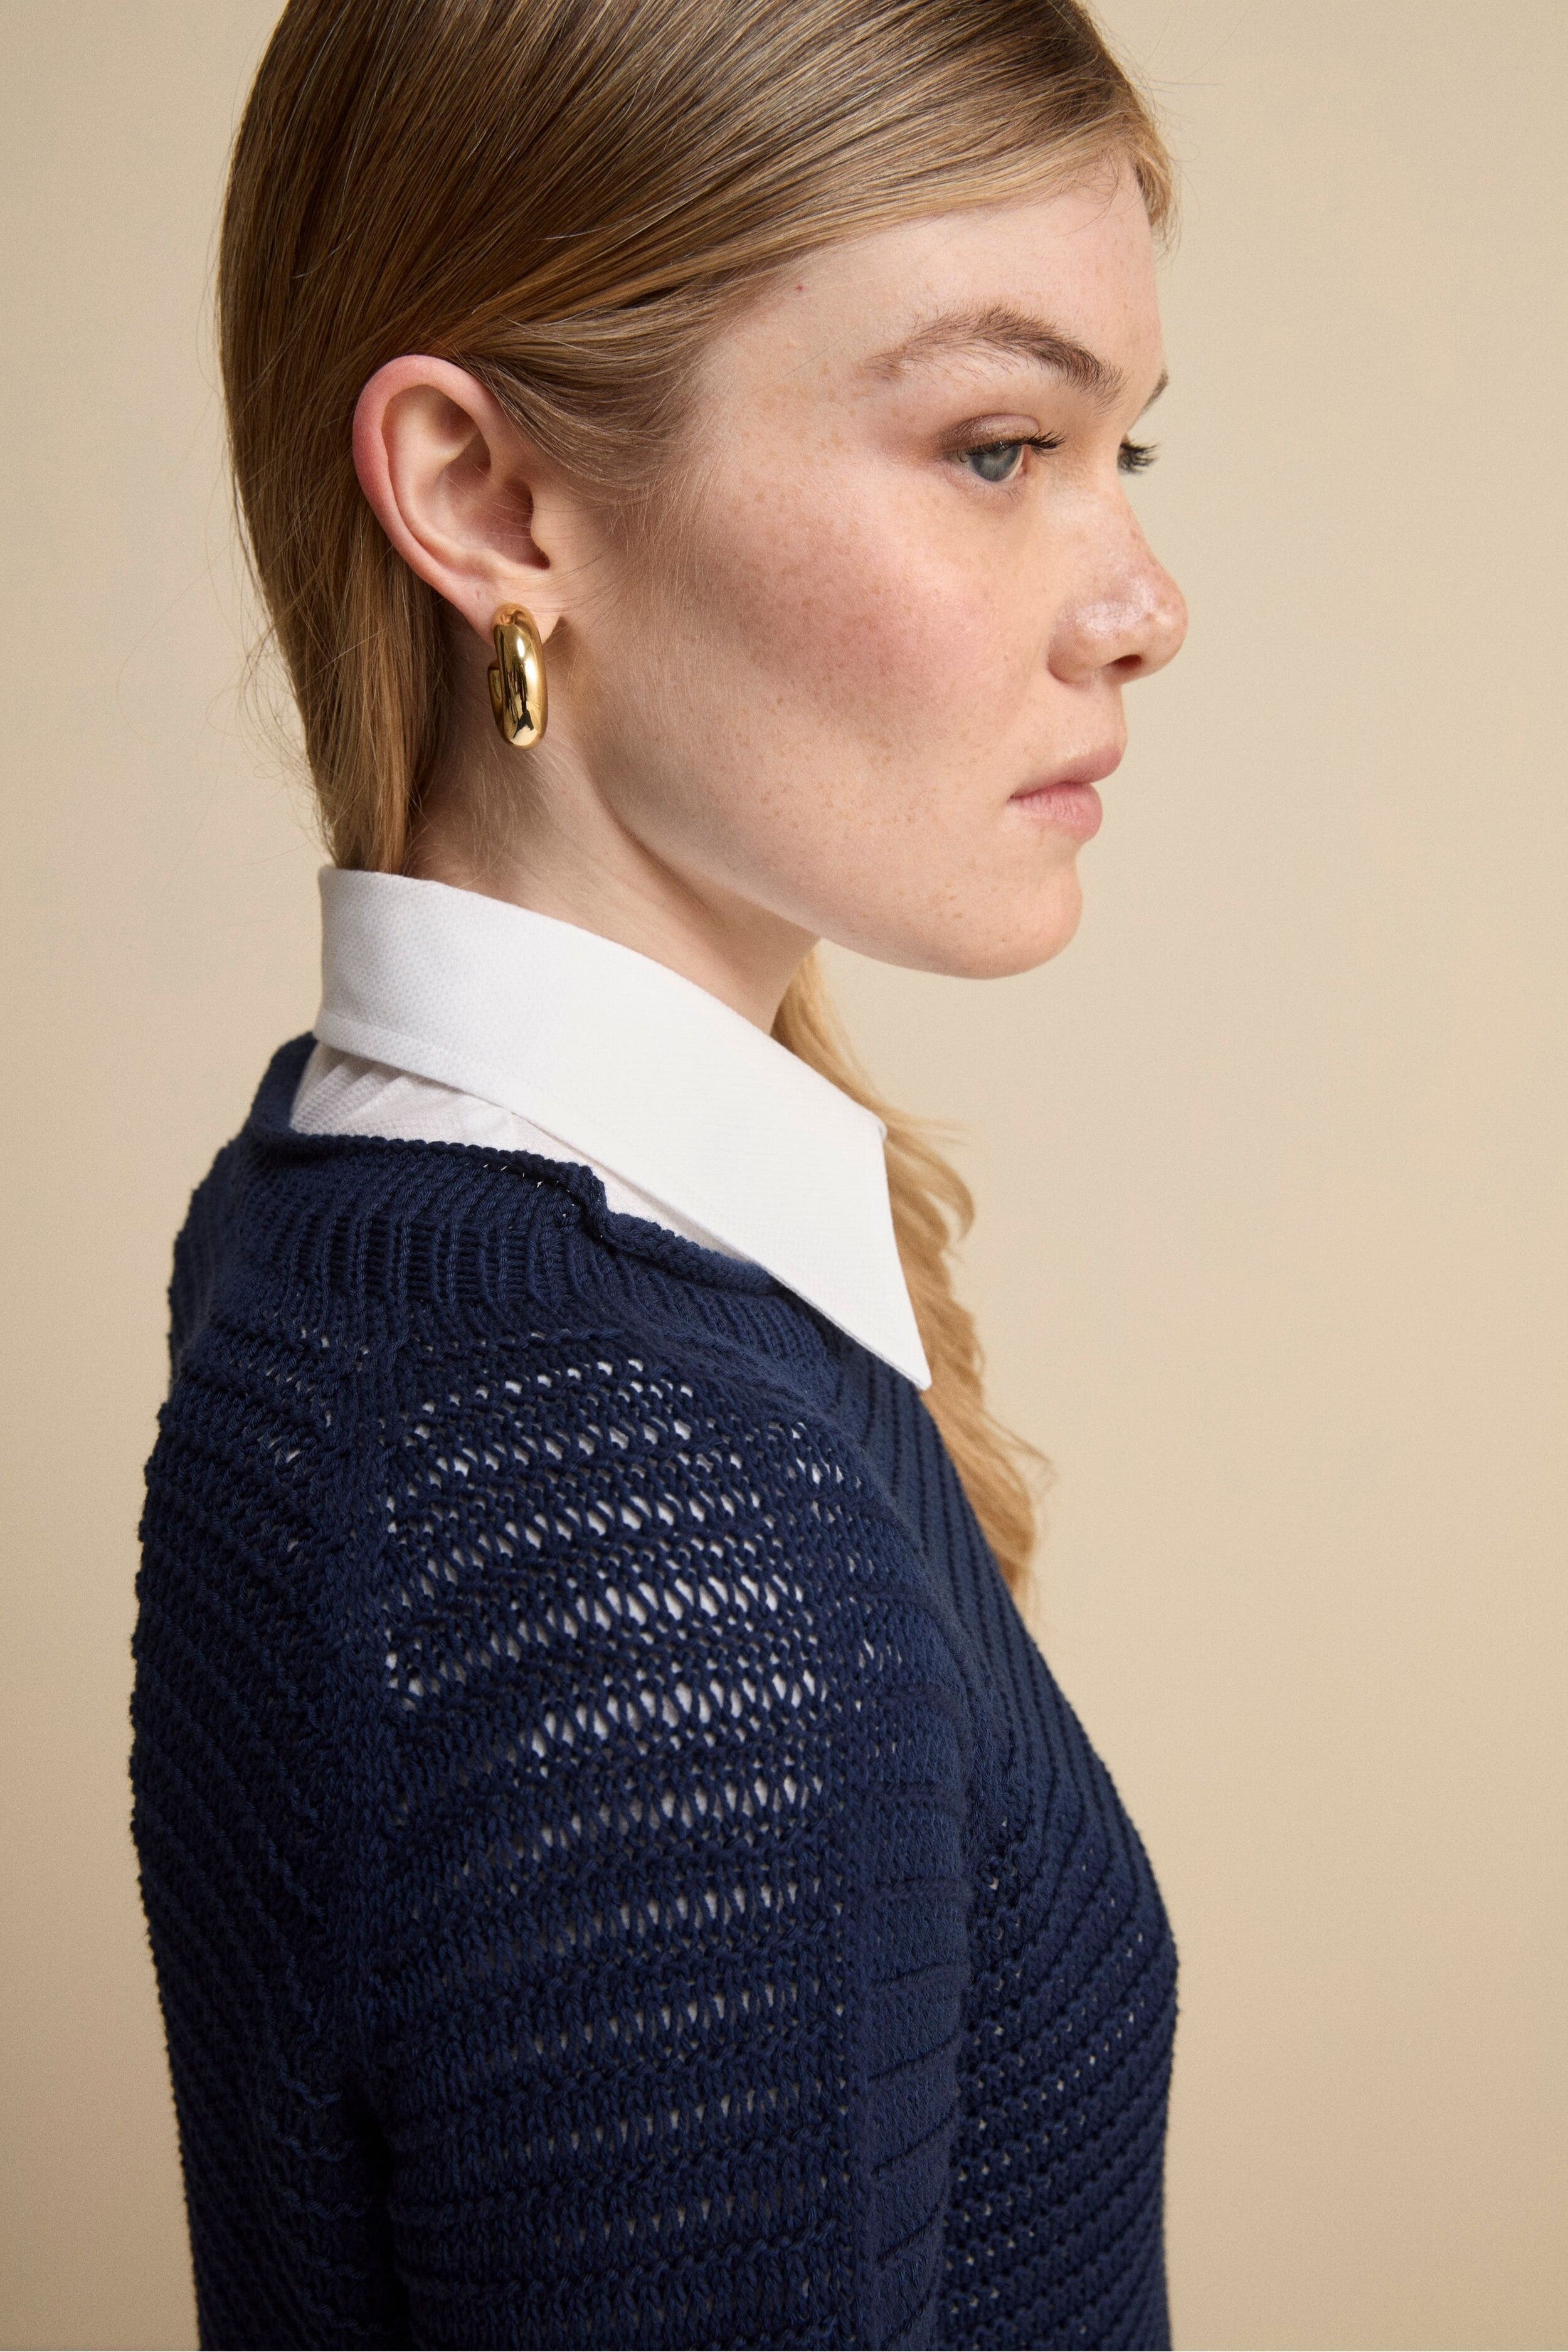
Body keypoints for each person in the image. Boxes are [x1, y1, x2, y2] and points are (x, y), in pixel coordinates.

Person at [130, 1, 1189, 2343]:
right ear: (491, 504)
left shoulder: (334, 1208)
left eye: (1122, 445)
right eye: (997, 446)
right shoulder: (650, 1520)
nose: (1144, 605)